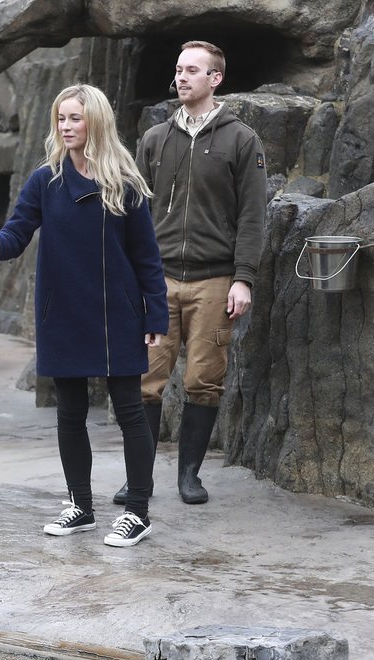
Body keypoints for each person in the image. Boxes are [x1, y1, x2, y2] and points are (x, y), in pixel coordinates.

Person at [0, 84, 168, 547]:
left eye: (74, 118)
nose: (65, 127)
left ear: (94, 121)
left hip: (115, 314)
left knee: (130, 413)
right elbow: (19, 227)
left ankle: (138, 511)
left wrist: (154, 315)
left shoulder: (125, 183)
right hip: (63, 312)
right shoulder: (47, 179)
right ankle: (80, 505)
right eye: (61, 119)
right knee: (70, 413)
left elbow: (147, 257)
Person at [112, 40, 266, 506]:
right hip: (157, 281)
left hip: (215, 279)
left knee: (203, 378)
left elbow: (253, 216)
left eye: (192, 71)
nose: (181, 77)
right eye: (178, 69)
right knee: (145, 380)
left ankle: (189, 477)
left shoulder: (242, 140)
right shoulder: (155, 138)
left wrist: (244, 278)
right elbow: (134, 212)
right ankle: (139, 478)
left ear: (215, 78)